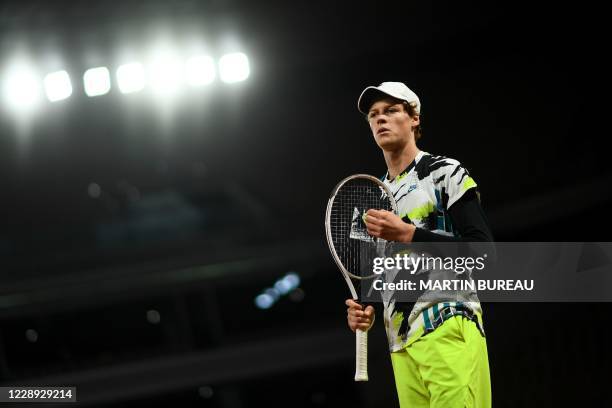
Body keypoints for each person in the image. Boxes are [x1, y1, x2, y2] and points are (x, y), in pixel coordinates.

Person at [346, 82, 493, 408]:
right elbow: (374, 276)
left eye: (391, 110)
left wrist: (409, 235)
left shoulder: (445, 172)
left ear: (414, 118)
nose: (380, 119)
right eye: (373, 115)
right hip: (400, 345)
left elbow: (484, 253)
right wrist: (364, 308)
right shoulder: (371, 198)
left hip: (447, 325)